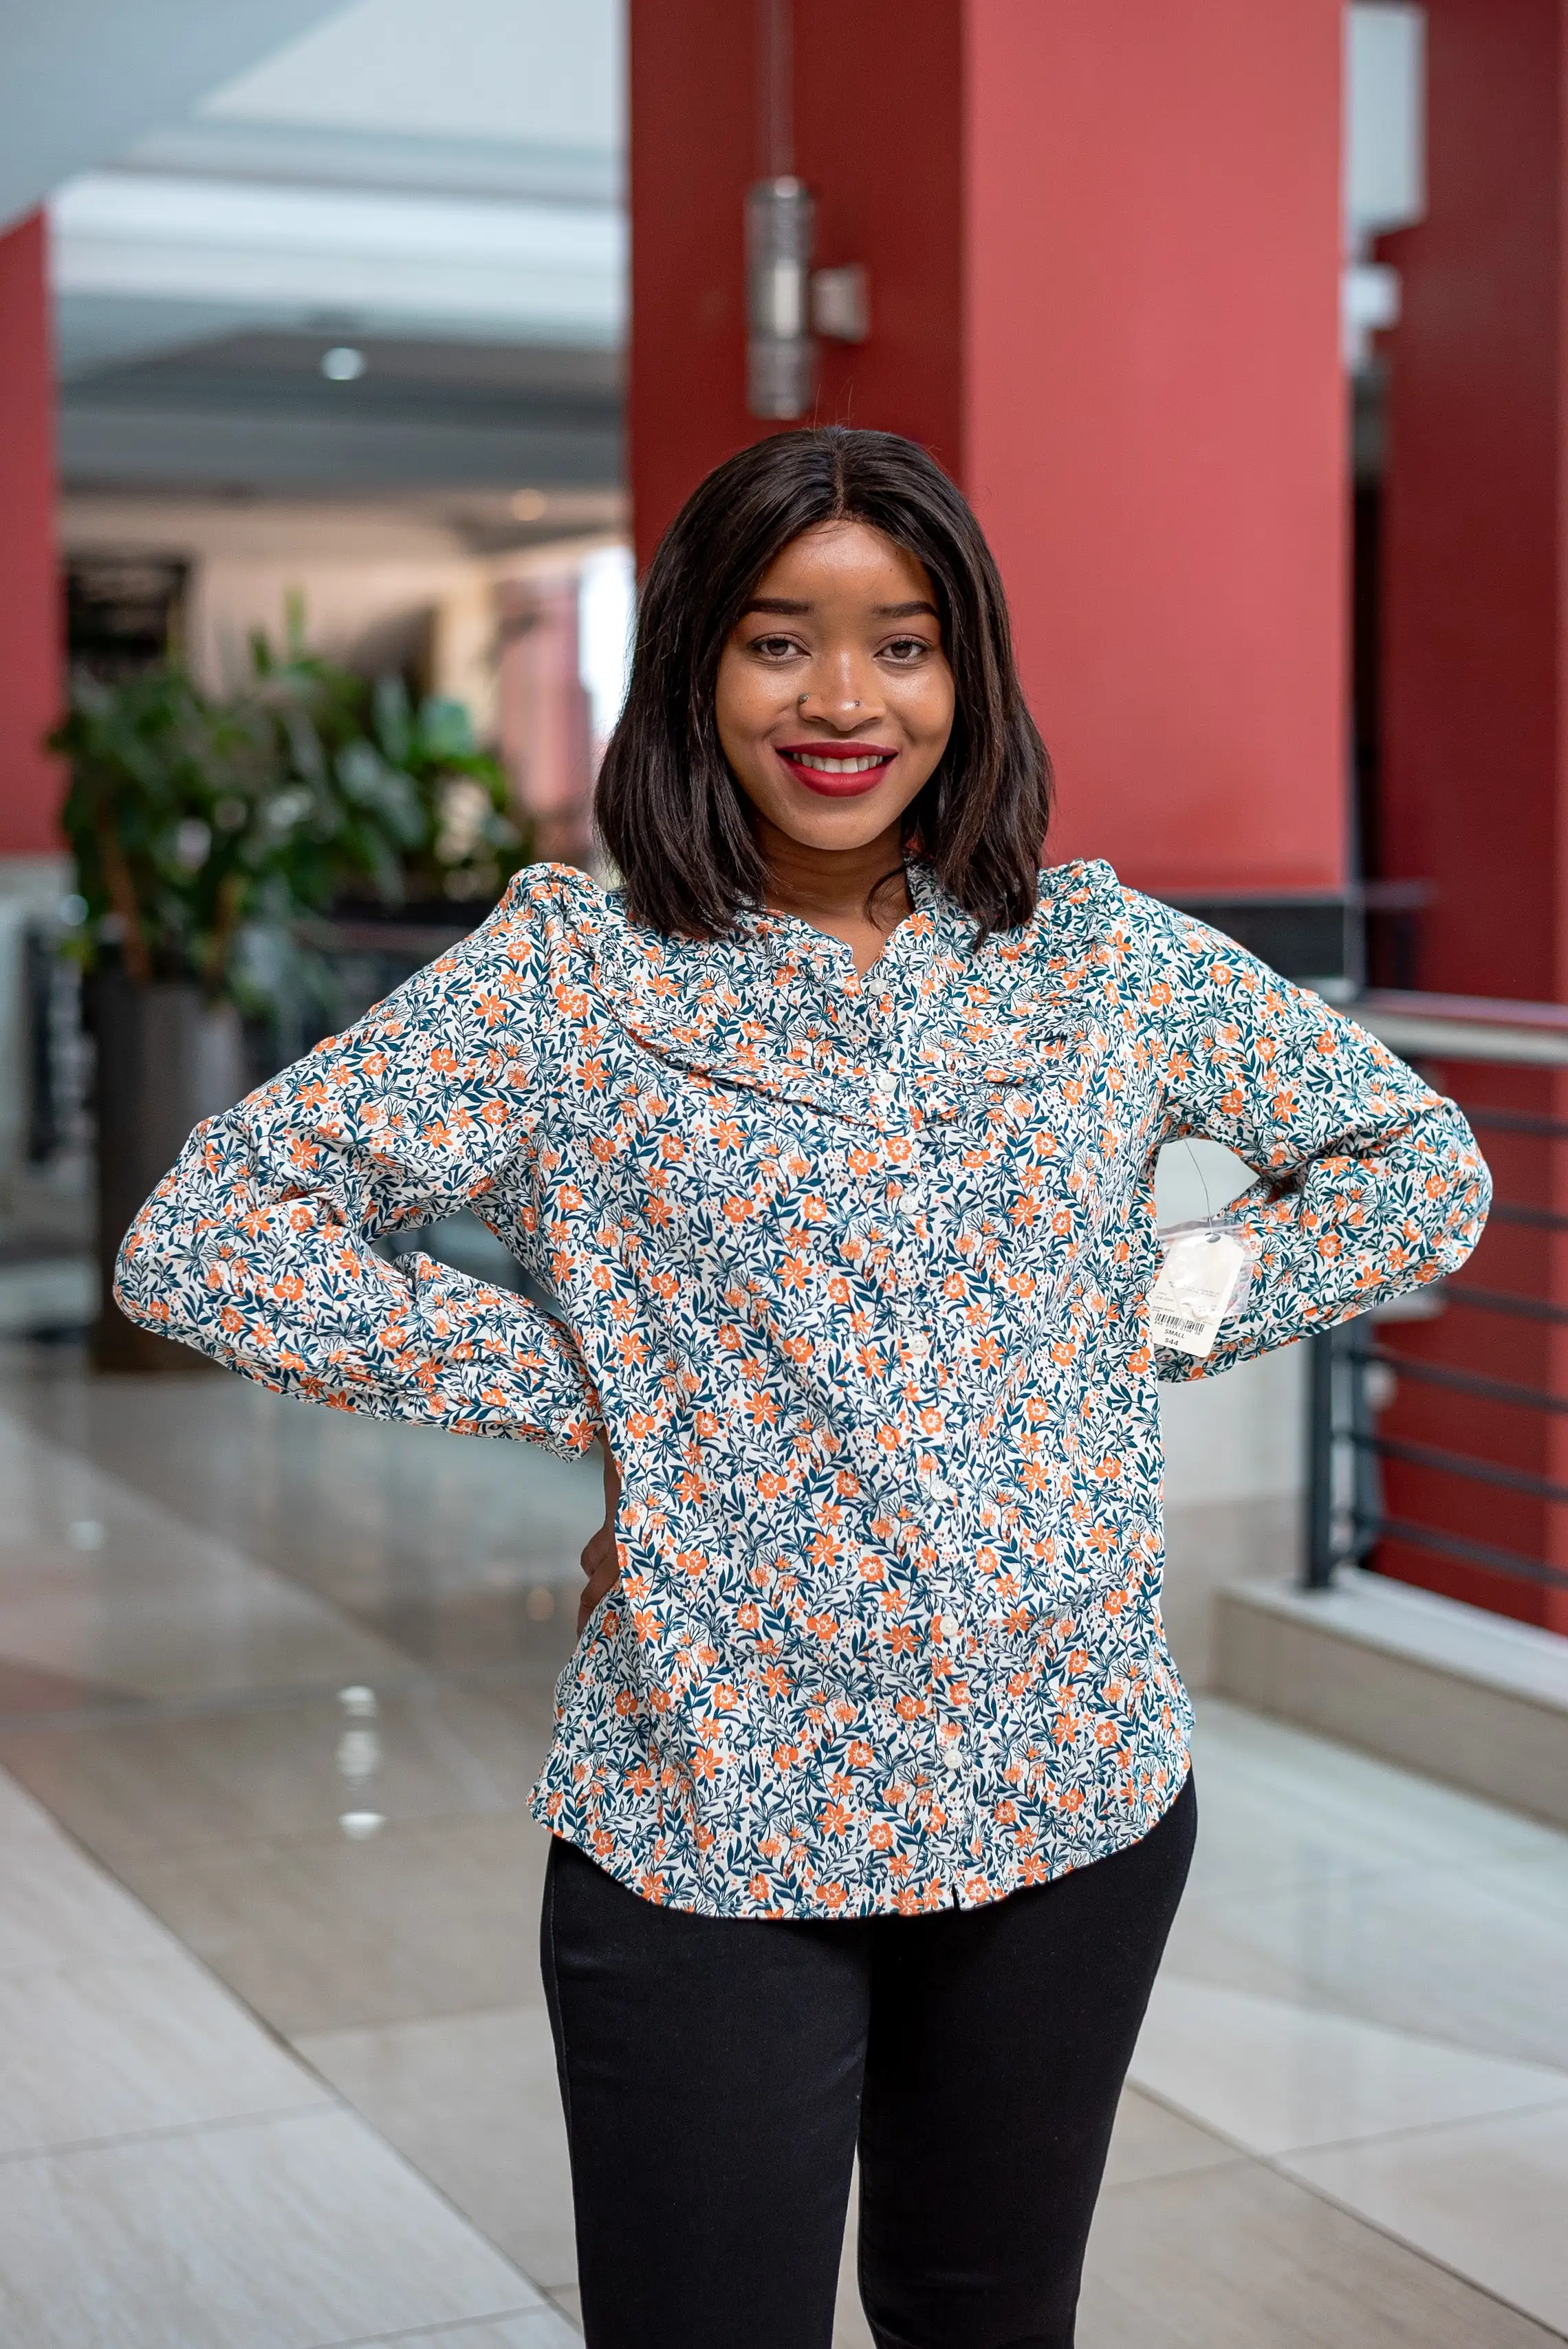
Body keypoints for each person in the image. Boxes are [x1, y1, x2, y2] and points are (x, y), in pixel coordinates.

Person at [117, 427, 1490, 2349]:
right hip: (714, 1802)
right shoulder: (572, 982)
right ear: (690, 667)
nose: (845, 700)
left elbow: (1414, 1163)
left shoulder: (1099, 963)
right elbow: (211, 1233)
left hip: (1071, 1787)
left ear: (970, 676)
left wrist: (1161, 1314)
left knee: (985, 2316)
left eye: (904, 644)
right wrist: (605, 1392)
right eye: (780, 641)